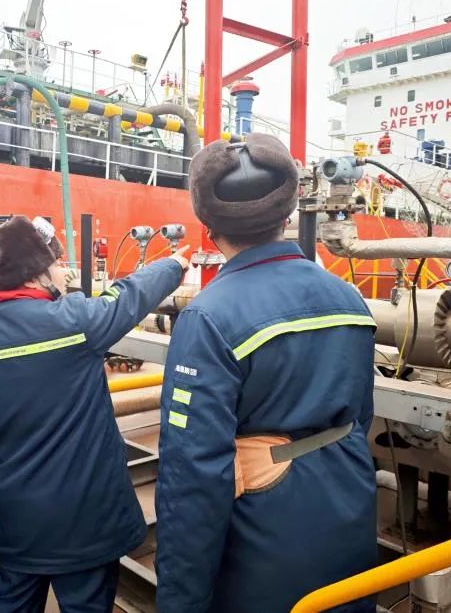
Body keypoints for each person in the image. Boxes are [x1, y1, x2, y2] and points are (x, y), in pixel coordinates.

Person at [155, 134, 378, 612]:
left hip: (262, 549)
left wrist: (180, 601)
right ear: (288, 212)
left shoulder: (208, 318)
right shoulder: (349, 300)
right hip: (349, 514)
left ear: (208, 227)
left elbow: (193, 478)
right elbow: (361, 417)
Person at [0, 215, 189, 612]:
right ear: (38, 274)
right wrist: (174, 265)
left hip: (18, 514)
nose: (61, 271)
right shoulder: (75, 322)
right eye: (56, 264)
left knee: (14, 596)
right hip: (86, 521)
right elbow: (129, 295)